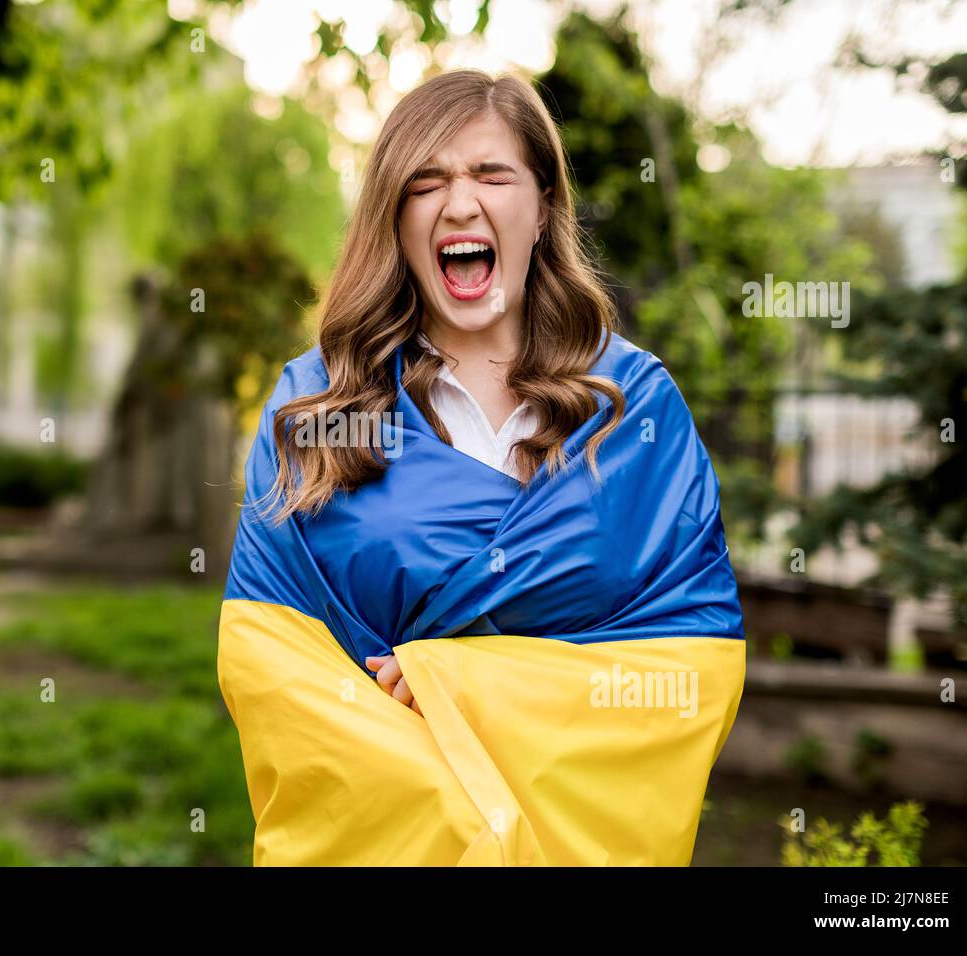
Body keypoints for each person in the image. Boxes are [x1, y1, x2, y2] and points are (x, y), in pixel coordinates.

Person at [217, 69, 746, 866]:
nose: (459, 203)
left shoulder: (635, 412)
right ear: (395, 222)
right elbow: (270, 664)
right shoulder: (316, 407)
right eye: (425, 181)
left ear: (543, 209)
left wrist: (453, 681)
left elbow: (689, 665)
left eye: (491, 174)